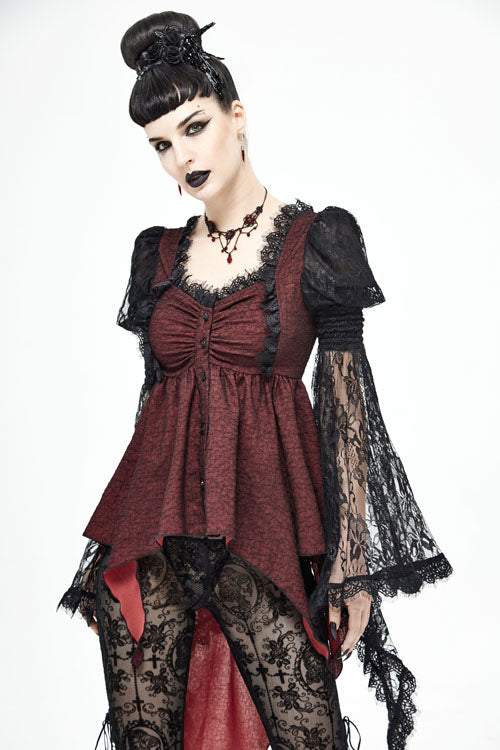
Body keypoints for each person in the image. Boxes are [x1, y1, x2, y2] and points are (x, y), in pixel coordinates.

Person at [56, 11, 453, 750]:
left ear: (237, 117)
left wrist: (351, 565)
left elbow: (345, 412)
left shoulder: (318, 240)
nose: (181, 157)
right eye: (161, 145)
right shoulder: (156, 256)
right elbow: (156, 405)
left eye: (195, 128)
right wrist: (106, 549)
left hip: (264, 530)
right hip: (152, 540)